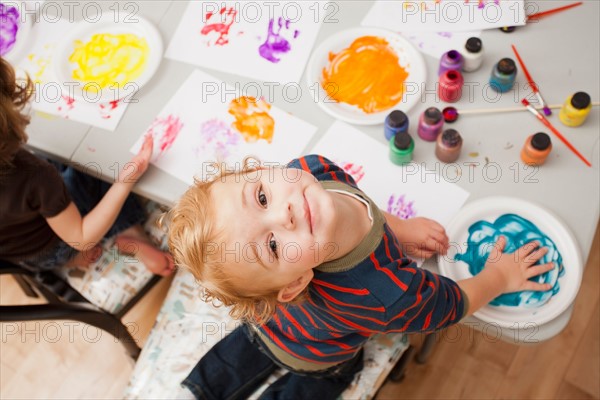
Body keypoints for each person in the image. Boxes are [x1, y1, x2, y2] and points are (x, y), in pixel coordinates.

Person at [166, 154, 553, 400]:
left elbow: (359, 205)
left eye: (262, 197)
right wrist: (501, 277)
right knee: (316, 380)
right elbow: (452, 305)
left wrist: (397, 228)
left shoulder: (310, 170)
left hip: (266, 323)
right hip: (317, 356)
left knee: (245, 345)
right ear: (296, 282)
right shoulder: (386, 294)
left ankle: (204, 386)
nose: (283, 213)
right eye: (271, 246)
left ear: (261, 170)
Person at [0, 57, 174, 276]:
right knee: (94, 165)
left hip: (27, 256)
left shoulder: (30, 176)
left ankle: (76, 255)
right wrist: (124, 182)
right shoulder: (34, 175)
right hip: (62, 244)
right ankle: (130, 235)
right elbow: (81, 237)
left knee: (55, 162)